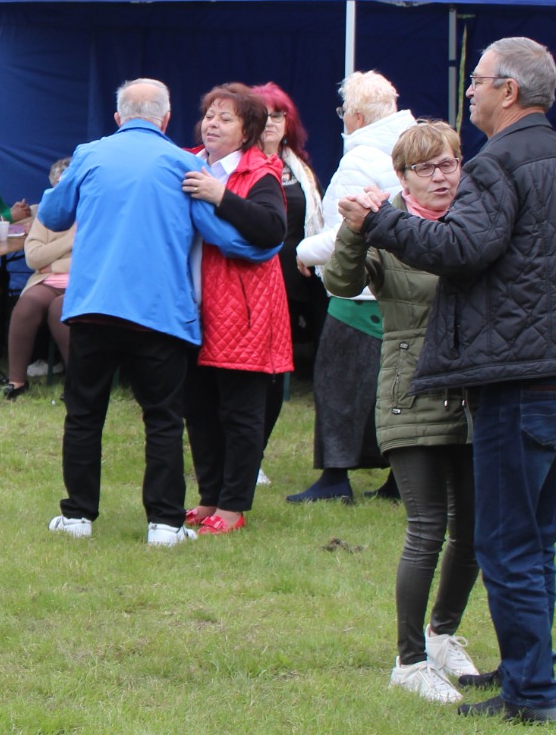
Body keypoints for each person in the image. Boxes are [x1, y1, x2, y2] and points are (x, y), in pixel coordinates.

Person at [347, 37, 556, 724]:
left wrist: (382, 221)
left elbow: (460, 249)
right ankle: (526, 675)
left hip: (521, 381)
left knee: (506, 543)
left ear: (510, 92)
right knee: (535, 539)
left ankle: (532, 696)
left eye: (479, 83)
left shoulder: (500, 166)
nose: (471, 94)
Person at [35, 78, 279, 548]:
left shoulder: (89, 155)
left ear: (118, 118)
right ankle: (165, 524)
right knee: (163, 419)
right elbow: (221, 236)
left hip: (93, 308)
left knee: (84, 414)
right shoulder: (183, 164)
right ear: (166, 120)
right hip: (161, 315)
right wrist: (266, 249)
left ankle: (78, 516)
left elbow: (55, 214)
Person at [328, 120, 484, 704]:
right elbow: (341, 283)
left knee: (473, 528)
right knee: (427, 527)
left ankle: (443, 636)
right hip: (412, 388)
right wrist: (355, 228)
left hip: (474, 390)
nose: (440, 176)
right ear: (402, 177)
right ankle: (409, 659)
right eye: (425, 168)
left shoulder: (477, 219)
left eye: (448, 163)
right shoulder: (387, 225)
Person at [290, 70, 416, 504]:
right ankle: (398, 482)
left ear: (357, 117)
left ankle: (335, 479)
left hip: (358, 294)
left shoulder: (360, 158)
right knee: (396, 392)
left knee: (338, 388)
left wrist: (303, 251)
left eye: (344, 112)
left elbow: (346, 232)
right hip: (403, 290)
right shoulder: (414, 149)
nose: (342, 119)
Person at [178, 83, 290, 536]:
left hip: (242, 312)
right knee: (199, 408)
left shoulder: (259, 172)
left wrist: (218, 196)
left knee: (241, 413)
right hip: (190, 307)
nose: (213, 124)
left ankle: (233, 506)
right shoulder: (184, 163)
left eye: (226, 118)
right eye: (209, 115)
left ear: (247, 131)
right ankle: (208, 499)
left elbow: (271, 229)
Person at [252, 82, 326, 480]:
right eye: (262, 115)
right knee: (260, 376)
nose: (270, 123)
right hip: (257, 282)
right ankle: (249, 456)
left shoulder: (299, 166)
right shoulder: (238, 164)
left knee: (282, 372)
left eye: (278, 115)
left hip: (301, 283)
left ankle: (257, 451)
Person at [2, 157, 74, 400]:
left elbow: (94, 258)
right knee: (27, 305)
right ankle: (17, 382)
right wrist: (72, 242)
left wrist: (53, 262)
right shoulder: (46, 215)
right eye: (59, 186)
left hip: (82, 281)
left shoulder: (93, 212)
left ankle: (76, 383)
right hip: (47, 280)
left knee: (59, 309)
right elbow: (33, 258)